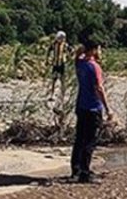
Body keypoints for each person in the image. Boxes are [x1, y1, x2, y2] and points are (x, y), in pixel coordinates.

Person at [71, 39, 111, 183]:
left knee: (80, 139)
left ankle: (76, 169)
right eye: (99, 49)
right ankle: (85, 173)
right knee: (90, 141)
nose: (100, 52)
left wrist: (81, 50)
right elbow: (99, 89)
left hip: (81, 106)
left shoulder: (80, 63)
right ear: (94, 50)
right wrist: (108, 109)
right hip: (92, 108)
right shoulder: (94, 67)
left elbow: (76, 57)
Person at [46, 31, 68, 99]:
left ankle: (62, 95)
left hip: (62, 64)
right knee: (54, 79)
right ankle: (52, 95)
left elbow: (70, 51)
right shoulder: (54, 44)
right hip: (55, 64)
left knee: (62, 80)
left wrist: (67, 57)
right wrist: (47, 59)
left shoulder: (65, 45)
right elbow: (48, 51)